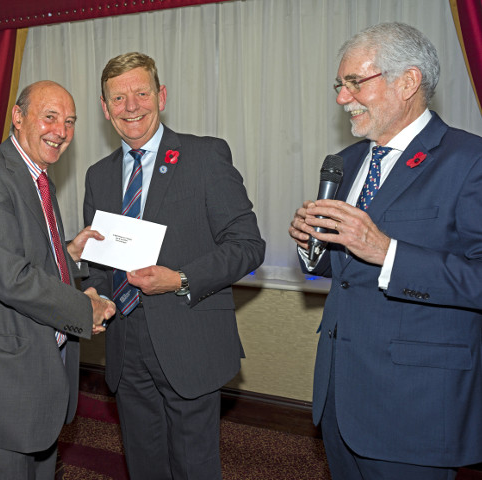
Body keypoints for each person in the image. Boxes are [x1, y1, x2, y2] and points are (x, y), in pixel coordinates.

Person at [289, 22, 482, 480]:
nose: (342, 97)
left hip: (415, 406)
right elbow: (347, 269)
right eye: (340, 85)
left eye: (355, 82)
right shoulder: (349, 161)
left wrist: (388, 252)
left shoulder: (469, 161)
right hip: (340, 396)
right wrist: (311, 247)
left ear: (408, 81)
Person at [82, 52, 265, 480]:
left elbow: (248, 246)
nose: (132, 106)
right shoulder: (98, 176)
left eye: (141, 93)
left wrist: (180, 278)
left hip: (189, 339)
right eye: (119, 98)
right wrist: (94, 293)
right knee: (144, 466)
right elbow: (97, 260)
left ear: (160, 96)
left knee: (193, 467)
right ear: (104, 108)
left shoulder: (205, 157)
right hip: (125, 346)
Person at [0, 80, 116, 480]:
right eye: (50, 117)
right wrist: (84, 307)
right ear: (18, 117)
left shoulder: (38, 177)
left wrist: (69, 254)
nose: (61, 130)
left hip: (41, 369)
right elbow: (11, 277)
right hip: (1, 381)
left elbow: (28, 256)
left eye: (70, 121)